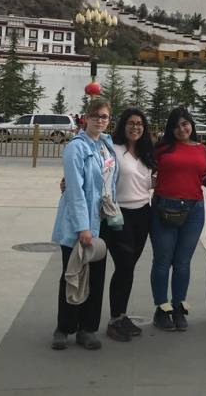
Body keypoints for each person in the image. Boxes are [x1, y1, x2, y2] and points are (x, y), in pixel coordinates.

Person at [50, 97, 119, 351]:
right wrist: (83, 228)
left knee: (97, 276)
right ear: (86, 118)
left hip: (102, 222)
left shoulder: (106, 145)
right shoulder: (76, 148)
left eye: (105, 117)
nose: (100, 121)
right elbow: (76, 192)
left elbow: (110, 181)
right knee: (73, 274)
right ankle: (64, 327)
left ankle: (87, 328)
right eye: (96, 116)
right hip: (78, 223)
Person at [150, 106, 206, 332]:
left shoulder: (202, 149)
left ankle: (178, 307)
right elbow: (138, 169)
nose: (181, 129)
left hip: (194, 210)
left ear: (191, 124)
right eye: (176, 126)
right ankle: (161, 308)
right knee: (163, 261)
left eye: (185, 124)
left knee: (183, 262)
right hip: (165, 209)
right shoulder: (162, 149)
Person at [102, 108, 156, 341]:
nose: (136, 127)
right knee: (123, 266)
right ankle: (114, 320)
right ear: (123, 125)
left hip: (143, 214)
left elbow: (150, 181)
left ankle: (122, 315)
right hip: (118, 215)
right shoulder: (113, 149)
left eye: (140, 124)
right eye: (131, 123)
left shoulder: (146, 153)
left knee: (129, 267)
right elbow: (96, 173)